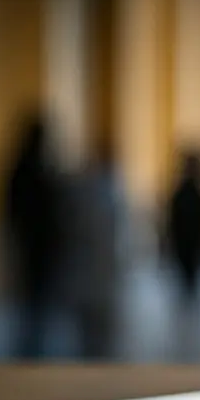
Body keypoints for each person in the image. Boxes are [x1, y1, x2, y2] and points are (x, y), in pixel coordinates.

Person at [1, 111, 64, 360]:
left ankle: (32, 347)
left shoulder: (26, 168)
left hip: (34, 246)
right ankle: (30, 350)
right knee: (33, 304)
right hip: (35, 246)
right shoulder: (34, 170)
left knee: (34, 305)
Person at [67, 138, 128, 360]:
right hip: (94, 269)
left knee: (96, 329)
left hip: (95, 270)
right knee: (95, 327)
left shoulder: (97, 189)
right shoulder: (101, 191)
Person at [166, 147, 200, 314]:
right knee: (187, 274)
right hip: (185, 239)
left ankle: (189, 301)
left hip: (192, 240)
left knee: (190, 274)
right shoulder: (185, 190)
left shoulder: (196, 190)